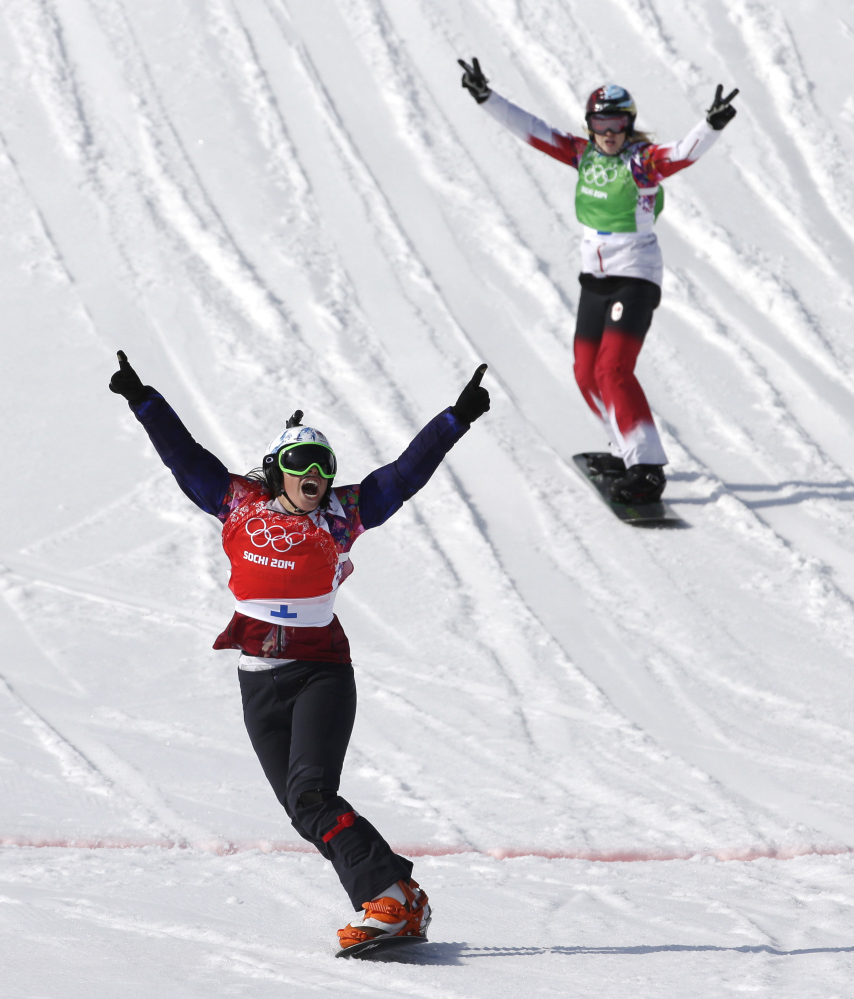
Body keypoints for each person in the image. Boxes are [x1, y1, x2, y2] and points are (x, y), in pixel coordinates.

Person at [108, 350, 490, 948]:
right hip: (258, 676)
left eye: (324, 463)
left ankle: (386, 900)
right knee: (303, 806)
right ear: (278, 470)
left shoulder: (343, 515)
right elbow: (184, 457)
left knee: (312, 790)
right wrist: (144, 400)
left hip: (321, 674)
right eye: (300, 462)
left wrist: (453, 420)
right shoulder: (238, 502)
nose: (314, 473)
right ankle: (401, 896)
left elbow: (403, 475)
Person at [457, 57, 738, 502]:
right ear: (590, 124)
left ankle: (646, 468)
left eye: (617, 123)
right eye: (601, 122)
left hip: (635, 277)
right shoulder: (582, 153)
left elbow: (681, 153)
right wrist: (486, 97)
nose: (609, 132)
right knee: (587, 373)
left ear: (629, 125)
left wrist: (711, 125)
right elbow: (531, 129)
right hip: (596, 279)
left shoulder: (641, 163)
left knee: (613, 368)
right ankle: (626, 450)